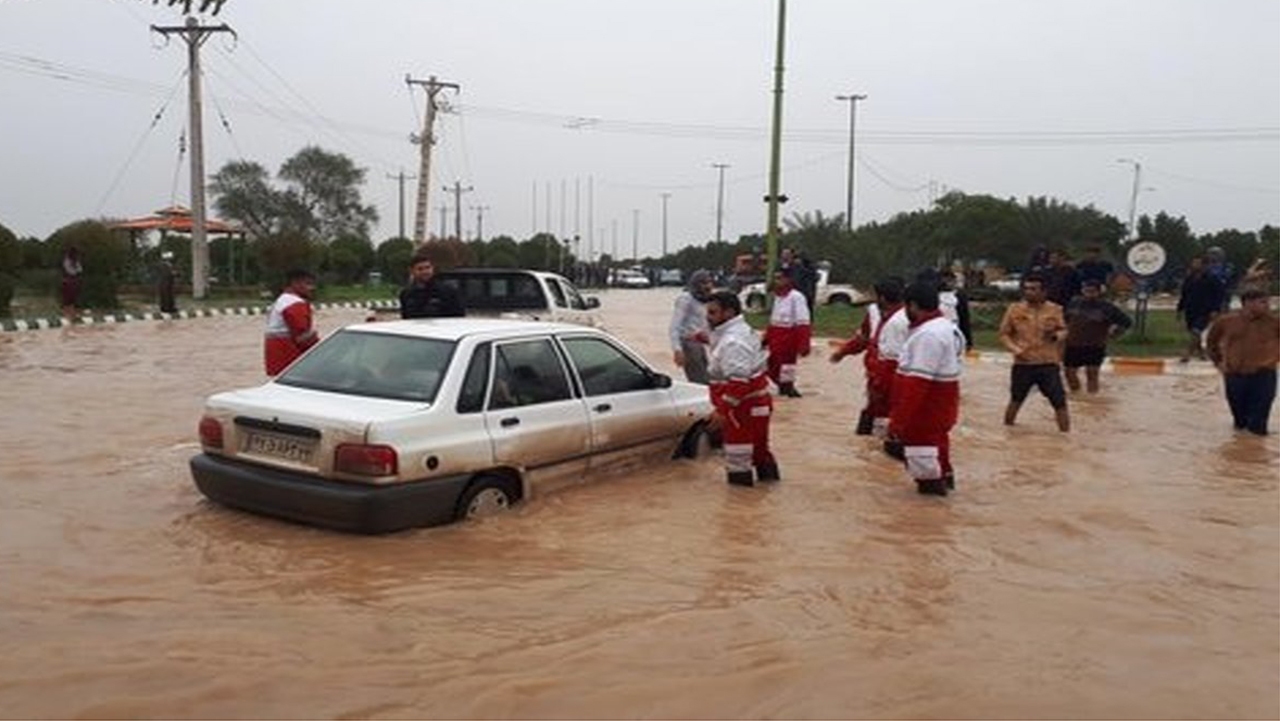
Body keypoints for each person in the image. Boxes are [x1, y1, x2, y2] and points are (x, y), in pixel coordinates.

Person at [889, 281, 966, 496]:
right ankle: (944, 486)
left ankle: (930, 519)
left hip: (925, 412)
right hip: (939, 409)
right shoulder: (946, 327)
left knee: (926, 472)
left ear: (912, 305)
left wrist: (898, 422)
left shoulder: (928, 336)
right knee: (938, 457)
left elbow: (917, 384)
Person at [705, 290, 778, 487]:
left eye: (712, 313)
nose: (707, 317)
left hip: (742, 409)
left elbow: (739, 381)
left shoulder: (733, 342)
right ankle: (768, 492)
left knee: (738, 459)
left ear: (728, 313)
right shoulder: (741, 330)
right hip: (755, 404)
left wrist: (722, 411)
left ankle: (741, 508)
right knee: (760, 451)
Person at [830, 277, 904, 435]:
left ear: (882, 297)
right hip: (876, 374)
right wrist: (843, 352)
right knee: (872, 413)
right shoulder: (874, 313)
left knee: (884, 415)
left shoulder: (903, 320)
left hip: (891, 376)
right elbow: (863, 338)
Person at [998, 274, 1070, 432]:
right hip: (1023, 363)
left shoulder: (1055, 309)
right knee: (1016, 400)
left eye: (1033, 289)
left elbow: (1063, 330)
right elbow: (1004, 334)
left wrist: (1056, 336)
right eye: (1026, 289)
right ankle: (1008, 431)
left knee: (1059, 402)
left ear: (1044, 291)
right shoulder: (1014, 309)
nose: (1029, 292)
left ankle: (1065, 436)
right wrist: (1016, 350)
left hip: (1048, 363)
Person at [1205, 289, 1280, 436]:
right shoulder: (1226, 322)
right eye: (1263, 302)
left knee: (1258, 422)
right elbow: (1211, 342)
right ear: (1247, 303)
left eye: (1267, 302)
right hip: (1234, 375)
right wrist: (1218, 362)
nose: (1268, 306)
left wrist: (1274, 357)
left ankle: (1257, 453)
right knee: (1240, 421)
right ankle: (1240, 452)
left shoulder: (1274, 323)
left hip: (1264, 375)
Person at [1063, 278, 1132, 393]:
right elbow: (1063, 319)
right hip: (1073, 344)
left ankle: (1092, 399)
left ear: (1099, 292)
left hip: (1095, 345)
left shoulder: (1107, 308)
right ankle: (1077, 395)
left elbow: (1126, 322)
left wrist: (1115, 333)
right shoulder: (1073, 304)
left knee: (1092, 374)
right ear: (1082, 291)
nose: (1089, 294)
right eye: (1086, 291)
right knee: (1069, 373)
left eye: (1092, 291)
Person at [763, 267, 811, 397]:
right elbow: (773, 321)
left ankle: (788, 390)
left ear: (788, 280)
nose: (776, 281)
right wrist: (765, 339)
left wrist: (804, 344)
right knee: (771, 366)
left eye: (780, 278)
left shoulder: (797, 297)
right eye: (775, 278)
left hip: (789, 339)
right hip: (776, 339)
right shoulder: (777, 298)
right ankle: (783, 388)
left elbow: (803, 322)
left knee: (786, 367)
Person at [264, 269, 319, 376]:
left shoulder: (282, 300)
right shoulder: (295, 303)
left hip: (275, 356)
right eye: (308, 284)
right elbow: (303, 337)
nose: (312, 288)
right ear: (295, 283)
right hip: (289, 355)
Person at [1175, 255, 1225, 363]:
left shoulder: (1212, 279)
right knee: (1193, 331)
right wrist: (1180, 309)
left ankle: (1187, 354)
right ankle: (1201, 352)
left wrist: (1215, 309)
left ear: (1204, 265)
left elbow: (1219, 295)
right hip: (1191, 309)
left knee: (1196, 331)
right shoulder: (1189, 279)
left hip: (1205, 310)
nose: (1195, 265)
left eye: (1198, 263)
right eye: (1194, 263)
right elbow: (1184, 295)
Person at [668, 269, 715, 384]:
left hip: (702, 343)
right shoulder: (686, 299)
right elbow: (674, 326)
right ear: (695, 284)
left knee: (710, 378)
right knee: (699, 381)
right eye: (703, 283)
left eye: (709, 282)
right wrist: (677, 350)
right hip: (689, 344)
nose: (708, 286)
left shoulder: (706, 300)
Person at [399, 252, 464, 319]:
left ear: (433, 268)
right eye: (420, 269)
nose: (425, 272)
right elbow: (405, 319)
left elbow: (459, 319)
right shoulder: (406, 294)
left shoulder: (448, 291)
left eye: (428, 267)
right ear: (411, 271)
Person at [60, 244, 83, 319]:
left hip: (74, 281)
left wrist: (76, 270)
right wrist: (75, 271)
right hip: (67, 280)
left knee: (74, 298)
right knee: (67, 298)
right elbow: (69, 271)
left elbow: (80, 269)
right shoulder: (67, 260)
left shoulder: (76, 261)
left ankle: (73, 314)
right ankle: (66, 314)